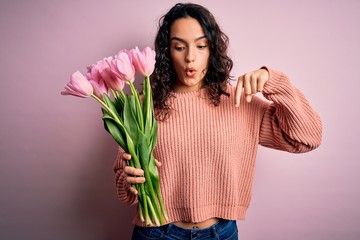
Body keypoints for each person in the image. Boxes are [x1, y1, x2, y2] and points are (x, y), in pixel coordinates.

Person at [113, 3, 322, 239]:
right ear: (166, 52)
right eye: (179, 47)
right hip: (156, 233)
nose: (190, 57)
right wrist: (129, 180)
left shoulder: (240, 102)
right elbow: (124, 189)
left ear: (212, 50)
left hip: (220, 233)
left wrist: (273, 80)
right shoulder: (143, 105)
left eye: (201, 46)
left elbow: (308, 138)